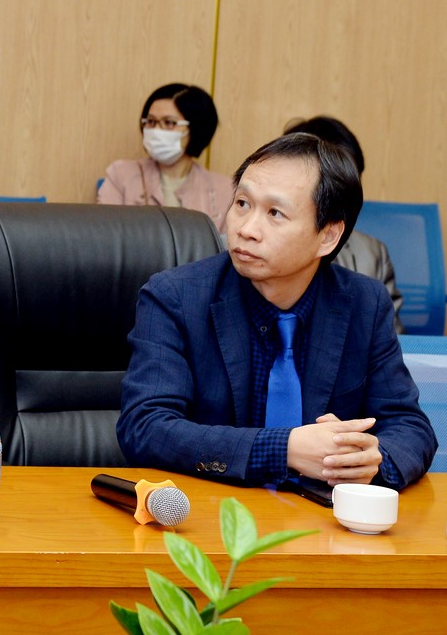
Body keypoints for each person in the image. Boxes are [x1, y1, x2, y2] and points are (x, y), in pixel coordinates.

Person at [118, 133, 436, 489]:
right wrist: (282, 449)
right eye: (242, 204)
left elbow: (411, 427)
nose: (246, 229)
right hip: (213, 511)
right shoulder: (174, 297)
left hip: (321, 517)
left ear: (328, 236)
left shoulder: (365, 303)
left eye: (275, 213)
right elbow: (144, 428)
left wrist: (370, 460)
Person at [282, 115, 403, 332]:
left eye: (350, 182)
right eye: (332, 182)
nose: (341, 196)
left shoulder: (373, 255)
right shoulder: (253, 247)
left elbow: (391, 339)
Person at [98, 83, 231, 231]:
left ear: (196, 128)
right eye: (151, 121)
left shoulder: (224, 190)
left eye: (169, 123)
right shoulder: (121, 175)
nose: (156, 130)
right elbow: (104, 232)